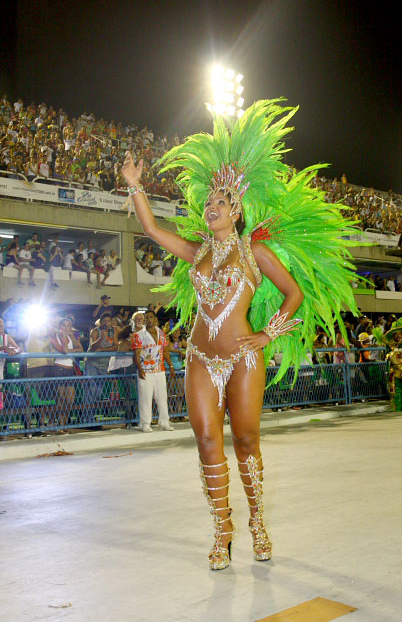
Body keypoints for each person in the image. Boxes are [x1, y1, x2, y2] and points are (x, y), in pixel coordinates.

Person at [121, 99, 360, 570]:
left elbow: (293, 294)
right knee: (208, 441)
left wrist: (267, 336)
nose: (210, 208)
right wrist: (135, 186)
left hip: (244, 360)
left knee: (247, 440)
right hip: (199, 358)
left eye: (219, 203)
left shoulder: (256, 252)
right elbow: (149, 228)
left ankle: (256, 521)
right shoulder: (196, 252)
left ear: (237, 210)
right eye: (207, 203)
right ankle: (222, 529)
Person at [132, 309, 175, 432]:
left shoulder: (161, 333)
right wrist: (140, 369)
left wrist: (170, 365)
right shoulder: (139, 335)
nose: (149, 320)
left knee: (162, 396)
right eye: (147, 317)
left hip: (159, 369)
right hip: (145, 370)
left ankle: (164, 422)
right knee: (145, 397)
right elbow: (136, 354)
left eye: (151, 317)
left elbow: (165, 351)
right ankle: (145, 423)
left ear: (155, 319)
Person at [49, 317, 84, 433]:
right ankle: (60, 425)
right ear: (59, 326)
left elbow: (81, 349)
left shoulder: (71, 337)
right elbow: (64, 350)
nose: (66, 328)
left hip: (69, 369)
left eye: (68, 325)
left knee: (70, 399)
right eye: (64, 325)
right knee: (61, 399)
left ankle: (59, 422)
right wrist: (63, 336)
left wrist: (71, 338)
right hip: (58, 368)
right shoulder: (54, 338)